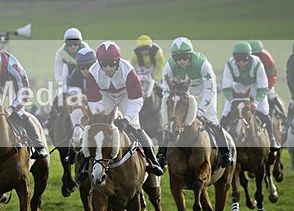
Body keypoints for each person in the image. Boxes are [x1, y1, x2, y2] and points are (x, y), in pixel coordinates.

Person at [81, 41, 164, 176]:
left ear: (118, 62)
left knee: (135, 126)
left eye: (111, 64)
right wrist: (102, 116)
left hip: (127, 96)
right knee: (95, 126)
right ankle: (85, 163)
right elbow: (93, 100)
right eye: (104, 65)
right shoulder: (93, 72)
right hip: (105, 96)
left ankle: (153, 161)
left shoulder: (128, 70)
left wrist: (125, 119)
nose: (108, 68)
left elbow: (136, 99)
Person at [157, 37, 234, 168]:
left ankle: (226, 153)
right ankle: (161, 156)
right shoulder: (169, 66)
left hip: (205, 88)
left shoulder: (203, 64)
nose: (182, 61)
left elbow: (210, 90)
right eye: (178, 58)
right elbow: (165, 91)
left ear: (191, 55)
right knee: (171, 122)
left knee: (211, 118)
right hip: (183, 90)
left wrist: (201, 110)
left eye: (185, 57)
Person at [221, 41, 280, 151]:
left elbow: (263, 87)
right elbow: (226, 87)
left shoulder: (257, 63)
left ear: (250, 57)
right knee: (225, 112)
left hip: (255, 85)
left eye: (245, 59)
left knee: (264, 111)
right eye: (238, 60)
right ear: (234, 58)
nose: (242, 62)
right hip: (238, 85)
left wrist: (256, 102)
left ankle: (272, 140)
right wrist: (231, 100)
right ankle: (222, 144)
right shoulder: (230, 64)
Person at [45, 27, 91, 128]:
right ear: (66, 43)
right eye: (70, 44)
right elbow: (57, 72)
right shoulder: (61, 53)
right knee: (59, 95)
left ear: (80, 43)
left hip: (84, 77)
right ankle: (51, 117)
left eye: (76, 44)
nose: (73, 47)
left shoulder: (86, 48)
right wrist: (63, 85)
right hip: (69, 78)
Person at [249, 39, 285, 117]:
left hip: (266, 82)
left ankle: (283, 115)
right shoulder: (245, 59)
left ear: (260, 53)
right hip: (251, 83)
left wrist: (267, 88)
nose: (255, 57)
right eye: (252, 54)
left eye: (256, 54)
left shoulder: (267, 58)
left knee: (272, 96)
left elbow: (272, 76)